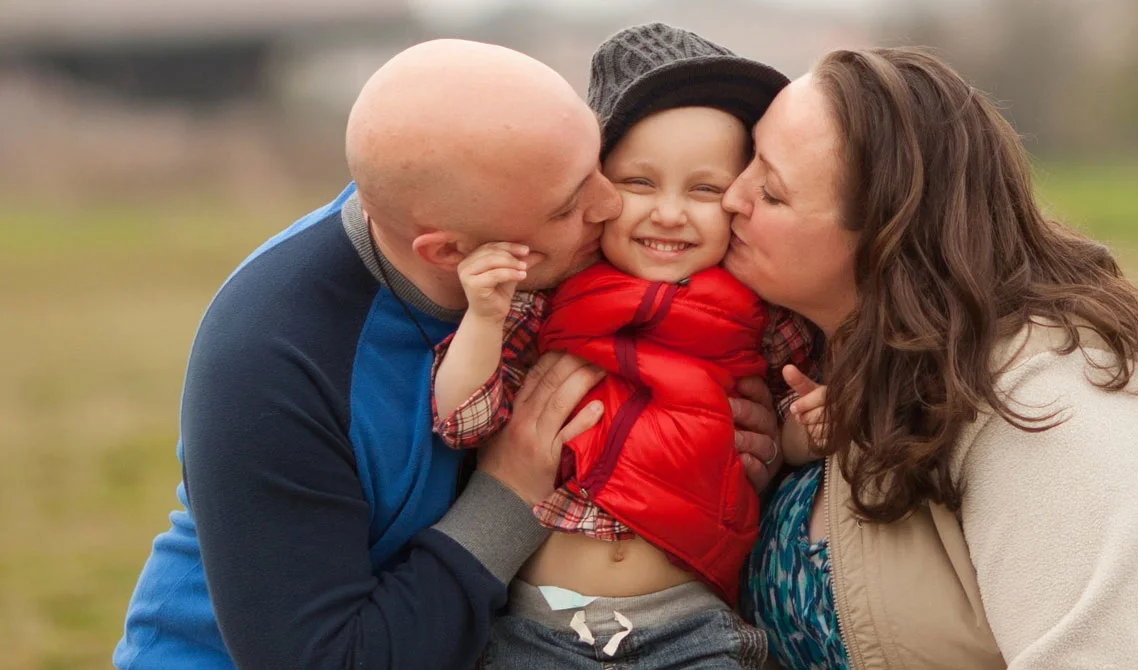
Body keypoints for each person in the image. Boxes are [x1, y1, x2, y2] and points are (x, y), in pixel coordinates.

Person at [113, 38, 783, 669]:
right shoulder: (274, 354)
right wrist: (511, 490)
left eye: (597, 168)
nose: (611, 206)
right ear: (448, 252)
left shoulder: (516, 225)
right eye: (568, 205)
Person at [731, 47, 1138, 669]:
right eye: (747, 157)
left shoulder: (1055, 398)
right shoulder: (829, 351)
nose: (730, 196)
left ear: (885, 239)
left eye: (772, 193)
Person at [431, 24, 810, 668]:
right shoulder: (551, 300)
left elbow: (793, 433)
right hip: (537, 627)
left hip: (690, 622)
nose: (668, 213)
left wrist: (800, 435)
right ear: (597, 190)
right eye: (639, 182)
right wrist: (486, 318)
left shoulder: (762, 315)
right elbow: (462, 419)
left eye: (705, 189)